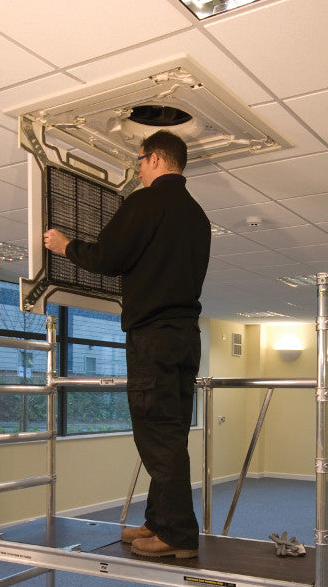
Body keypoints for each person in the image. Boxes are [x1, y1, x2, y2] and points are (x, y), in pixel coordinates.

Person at [43, 130, 211, 559]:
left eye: (139, 161)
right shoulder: (198, 216)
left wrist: (65, 245)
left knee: (157, 436)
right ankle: (159, 521)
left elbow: (108, 258)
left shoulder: (145, 202)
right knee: (170, 433)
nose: (137, 170)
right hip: (186, 338)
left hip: (153, 337)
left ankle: (178, 535)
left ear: (154, 159)